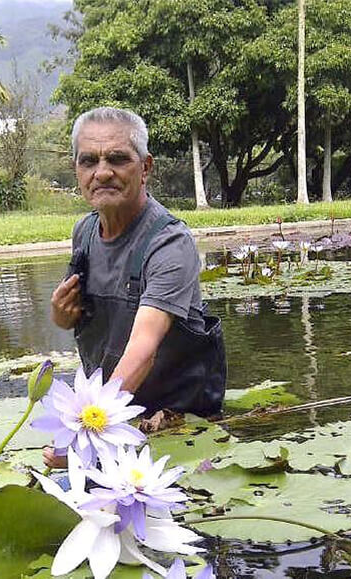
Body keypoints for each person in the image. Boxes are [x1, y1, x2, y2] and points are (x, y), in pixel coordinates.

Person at [45, 107, 226, 467]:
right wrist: (59, 314)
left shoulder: (169, 243)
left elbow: (143, 348)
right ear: (76, 171)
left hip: (180, 427)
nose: (102, 173)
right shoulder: (83, 234)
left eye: (117, 159)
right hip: (114, 420)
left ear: (145, 168)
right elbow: (73, 318)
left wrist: (88, 435)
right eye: (89, 161)